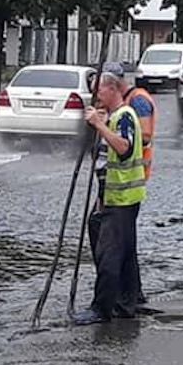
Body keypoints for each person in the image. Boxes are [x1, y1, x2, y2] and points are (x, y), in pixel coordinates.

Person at [74, 70, 146, 326]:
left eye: (99, 90)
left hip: (122, 197)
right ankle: (128, 301)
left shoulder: (124, 116)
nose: (95, 95)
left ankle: (102, 308)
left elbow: (124, 148)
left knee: (109, 254)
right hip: (113, 195)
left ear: (113, 89)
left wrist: (100, 125)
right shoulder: (115, 117)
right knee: (124, 252)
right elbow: (104, 162)